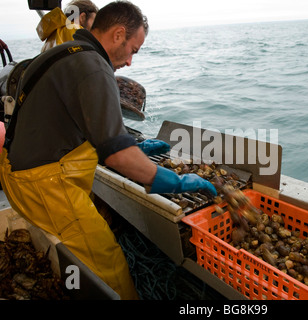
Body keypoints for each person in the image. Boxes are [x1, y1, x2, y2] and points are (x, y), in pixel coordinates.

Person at [0, 0, 216, 300]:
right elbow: (116, 155)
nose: (130, 62)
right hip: (45, 184)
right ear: (118, 34)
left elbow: (77, 126)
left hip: (22, 173)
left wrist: (134, 143)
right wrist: (175, 182)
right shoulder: (94, 68)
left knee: (87, 249)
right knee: (108, 260)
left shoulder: (65, 52)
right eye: (133, 50)